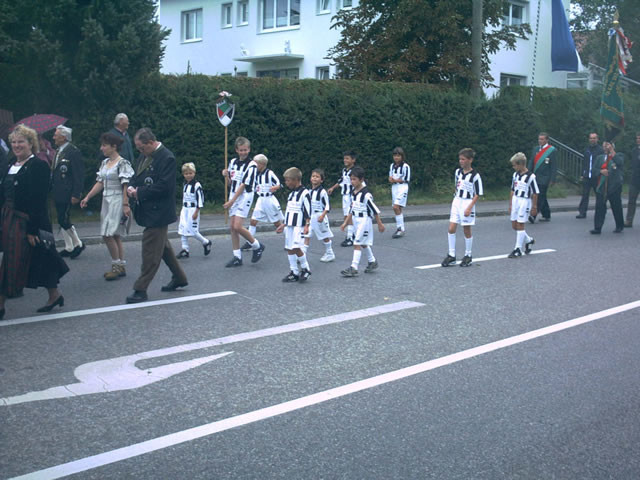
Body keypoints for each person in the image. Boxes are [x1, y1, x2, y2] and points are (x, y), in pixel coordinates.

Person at [0, 125, 68, 319]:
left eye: (21, 141)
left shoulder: (38, 166)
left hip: (28, 220)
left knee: (12, 259)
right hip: (9, 218)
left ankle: (1, 302)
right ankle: (54, 294)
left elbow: (38, 200)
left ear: (31, 143)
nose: (17, 145)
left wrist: (32, 229)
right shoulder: (11, 164)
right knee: (41, 257)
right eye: (14, 142)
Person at [125, 128, 188, 303]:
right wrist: (131, 187)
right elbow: (136, 175)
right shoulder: (145, 155)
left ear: (151, 143)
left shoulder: (167, 158)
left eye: (142, 147)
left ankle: (140, 288)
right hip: (149, 210)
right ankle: (179, 277)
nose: (140, 151)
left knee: (150, 251)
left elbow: (165, 187)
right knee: (163, 248)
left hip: (159, 212)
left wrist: (139, 192)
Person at [80, 132, 135, 280]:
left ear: (114, 146)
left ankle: (116, 266)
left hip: (117, 200)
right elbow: (100, 182)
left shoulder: (122, 163)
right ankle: (120, 265)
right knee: (114, 235)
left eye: (104, 145)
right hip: (107, 200)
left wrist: (125, 204)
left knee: (108, 234)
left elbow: (125, 184)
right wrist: (88, 197)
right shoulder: (105, 163)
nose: (101, 148)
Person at [221, 136, 265, 267]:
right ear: (236, 150)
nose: (243, 152)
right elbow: (230, 184)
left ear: (249, 149)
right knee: (232, 227)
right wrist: (226, 176)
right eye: (241, 150)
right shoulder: (233, 162)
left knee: (237, 226)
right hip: (233, 194)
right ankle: (237, 257)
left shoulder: (252, 165)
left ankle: (257, 246)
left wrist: (231, 202)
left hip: (245, 196)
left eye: (245, 150)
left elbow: (243, 185)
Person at [441, 148, 483, 267]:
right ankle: (451, 255)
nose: (461, 161)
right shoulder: (458, 172)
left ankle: (468, 255)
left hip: (467, 202)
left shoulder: (475, 176)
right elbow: (457, 186)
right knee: (451, 228)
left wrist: (469, 207)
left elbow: (477, 194)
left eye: (463, 159)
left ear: (470, 160)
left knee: (466, 229)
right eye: (460, 159)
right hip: (457, 201)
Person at [340, 166, 385, 277]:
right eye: (351, 179)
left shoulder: (366, 195)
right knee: (363, 243)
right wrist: (345, 223)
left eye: (354, 179)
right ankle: (372, 261)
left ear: (361, 180)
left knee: (357, 243)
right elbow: (352, 209)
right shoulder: (353, 193)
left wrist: (380, 224)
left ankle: (354, 267)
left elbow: (374, 210)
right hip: (356, 220)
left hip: (364, 221)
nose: (352, 182)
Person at [52, 125, 85, 258]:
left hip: (67, 191)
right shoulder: (58, 151)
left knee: (63, 219)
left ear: (64, 137)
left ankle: (78, 243)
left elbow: (78, 174)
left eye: (56, 135)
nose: (53, 137)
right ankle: (69, 246)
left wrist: (77, 193)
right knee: (62, 217)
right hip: (58, 190)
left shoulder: (73, 152)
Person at [276, 167, 312, 282]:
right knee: (289, 248)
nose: (286, 183)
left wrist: (307, 225)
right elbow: (289, 211)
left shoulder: (305, 193)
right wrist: (284, 224)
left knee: (296, 247)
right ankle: (294, 272)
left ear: (296, 180)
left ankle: (306, 269)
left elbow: (308, 211)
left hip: (299, 226)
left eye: (288, 180)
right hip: (290, 226)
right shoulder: (291, 194)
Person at [241, 154, 283, 251]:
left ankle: (290, 241)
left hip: (269, 200)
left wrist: (275, 187)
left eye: (256, 163)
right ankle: (250, 242)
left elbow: (279, 184)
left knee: (277, 223)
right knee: (253, 221)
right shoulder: (256, 174)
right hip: (260, 200)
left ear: (262, 164)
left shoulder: (270, 173)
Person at [176, 162, 212, 258]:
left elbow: (200, 199)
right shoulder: (185, 184)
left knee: (193, 230)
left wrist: (196, 211)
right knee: (182, 229)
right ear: (183, 174)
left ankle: (206, 242)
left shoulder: (196, 185)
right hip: (185, 209)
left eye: (190, 173)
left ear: (194, 173)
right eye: (186, 174)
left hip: (193, 209)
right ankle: (185, 249)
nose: (188, 175)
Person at [508, 152, 539, 258]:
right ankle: (529, 240)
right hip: (516, 200)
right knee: (514, 225)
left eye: (514, 165)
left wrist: (534, 207)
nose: (513, 167)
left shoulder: (531, 176)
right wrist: (511, 204)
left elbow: (535, 193)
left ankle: (518, 249)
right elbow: (512, 189)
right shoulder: (515, 175)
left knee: (520, 224)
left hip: (524, 201)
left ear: (521, 164)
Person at [591, 141, 624, 234]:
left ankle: (619, 225)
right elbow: (593, 170)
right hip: (601, 187)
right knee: (600, 207)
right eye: (604, 146)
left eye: (607, 146)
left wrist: (612, 151)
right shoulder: (600, 158)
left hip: (614, 186)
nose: (605, 147)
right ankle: (597, 228)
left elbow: (620, 163)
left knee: (616, 207)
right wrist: (600, 171)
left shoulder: (618, 155)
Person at [327, 150, 358, 247]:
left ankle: (350, 237)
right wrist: (332, 188)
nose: (345, 160)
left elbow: (359, 183)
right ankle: (352, 234)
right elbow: (341, 181)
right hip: (344, 195)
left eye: (347, 158)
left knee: (350, 216)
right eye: (344, 158)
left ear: (353, 160)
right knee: (346, 216)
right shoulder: (344, 170)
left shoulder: (355, 171)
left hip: (351, 195)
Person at [304, 168, 335, 262]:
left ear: (321, 180)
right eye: (313, 176)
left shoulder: (322, 192)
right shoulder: (309, 191)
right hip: (311, 217)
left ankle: (329, 253)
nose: (314, 178)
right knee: (307, 235)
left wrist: (322, 215)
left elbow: (327, 206)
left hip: (319, 216)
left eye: (317, 177)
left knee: (324, 235)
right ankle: (302, 255)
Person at [528, 132, 556, 223]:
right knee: (542, 196)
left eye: (542, 139)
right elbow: (531, 162)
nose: (540, 141)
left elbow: (553, 166)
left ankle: (533, 215)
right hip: (535, 177)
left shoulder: (552, 150)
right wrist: (528, 173)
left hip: (545, 177)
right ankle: (546, 214)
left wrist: (552, 179)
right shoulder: (535, 149)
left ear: (547, 140)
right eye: (539, 139)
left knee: (539, 196)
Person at [577, 132, 604, 219]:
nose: (592, 140)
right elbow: (584, 163)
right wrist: (582, 174)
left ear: (597, 139)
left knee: (599, 195)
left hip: (596, 176)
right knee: (585, 195)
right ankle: (582, 212)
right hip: (587, 176)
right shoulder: (587, 150)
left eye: (594, 138)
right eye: (591, 138)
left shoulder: (600, 150)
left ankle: (600, 211)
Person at [388, 147, 411, 238]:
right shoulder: (392, 166)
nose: (396, 158)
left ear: (402, 156)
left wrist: (396, 180)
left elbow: (406, 179)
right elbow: (390, 176)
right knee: (398, 208)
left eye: (398, 156)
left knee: (396, 207)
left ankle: (400, 229)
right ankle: (401, 229)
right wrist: (391, 180)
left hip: (402, 187)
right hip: (394, 188)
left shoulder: (405, 166)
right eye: (395, 156)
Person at [624, 132, 640, 227]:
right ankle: (629, 220)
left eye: (639, 138)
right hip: (635, 179)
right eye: (637, 138)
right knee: (631, 201)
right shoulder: (634, 150)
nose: (638, 140)